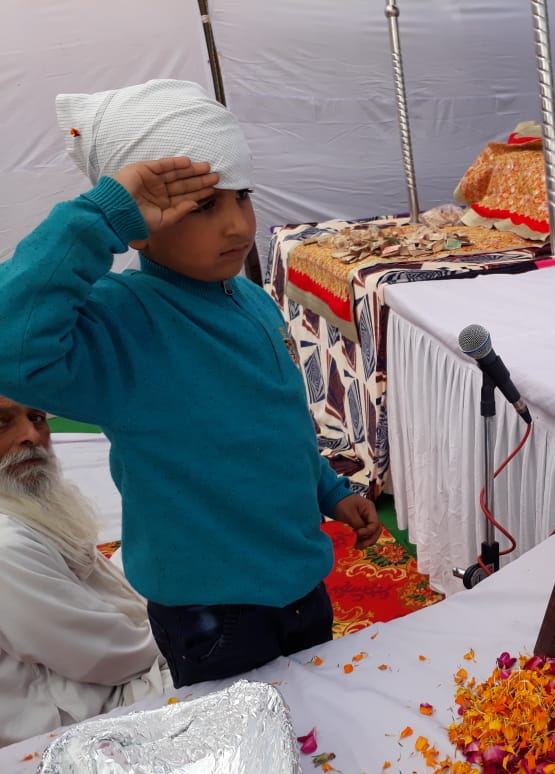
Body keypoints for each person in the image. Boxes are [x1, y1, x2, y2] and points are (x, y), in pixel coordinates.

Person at [0, 79, 382, 689]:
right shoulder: (120, 320)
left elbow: (274, 424)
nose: (237, 226)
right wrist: (100, 218)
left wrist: (328, 490)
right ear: (139, 224)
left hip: (300, 584)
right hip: (211, 613)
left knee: (317, 722)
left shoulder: (251, 300)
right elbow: (11, 346)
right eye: (204, 206)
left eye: (243, 197)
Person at [0, 395, 171, 745]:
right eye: (3, 422)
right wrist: (185, 628)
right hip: (81, 716)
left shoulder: (21, 512)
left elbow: (101, 581)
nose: (31, 435)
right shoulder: (6, 548)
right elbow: (111, 659)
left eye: (37, 418)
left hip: (109, 668)